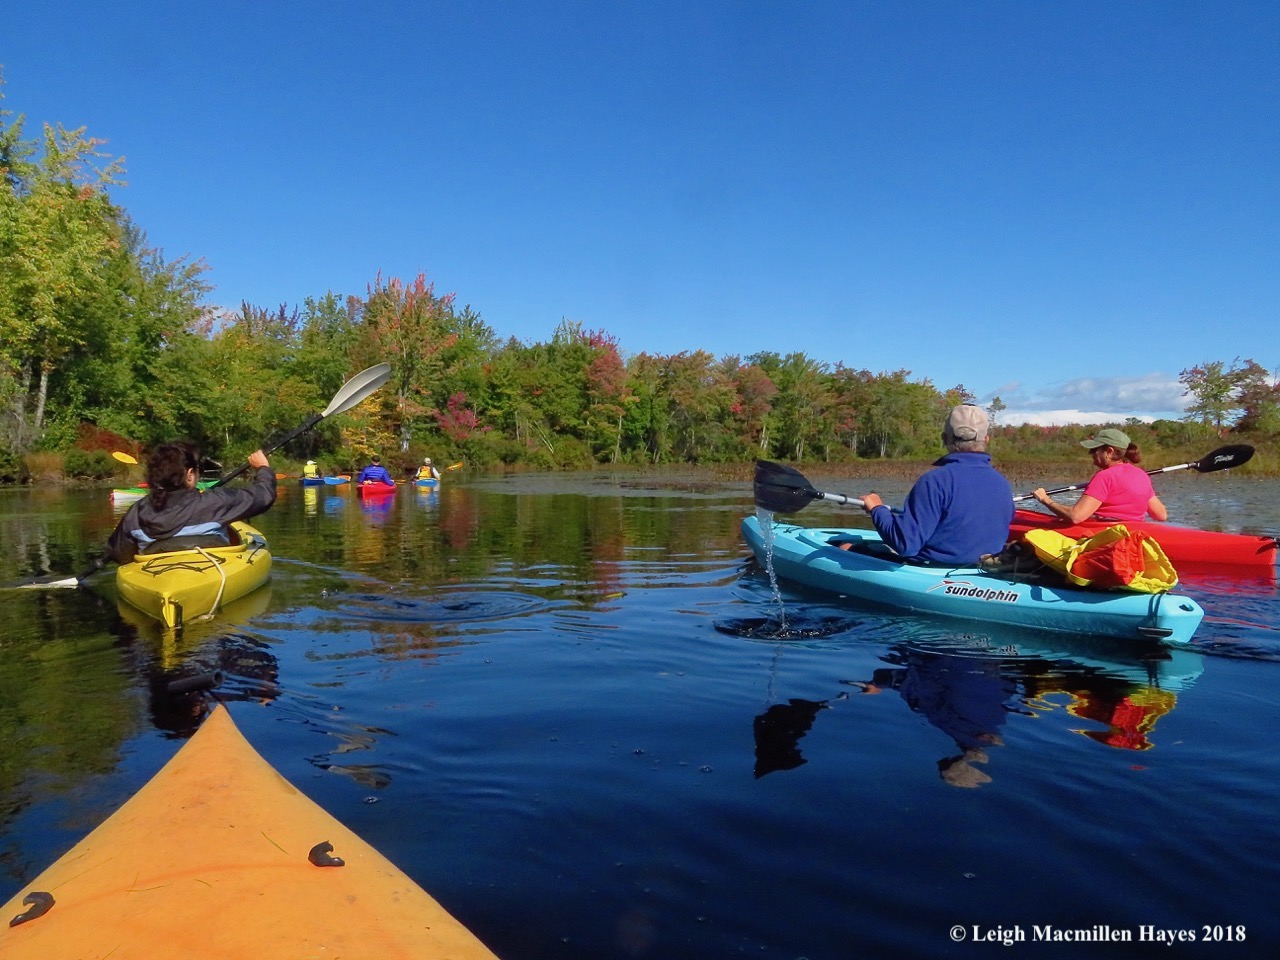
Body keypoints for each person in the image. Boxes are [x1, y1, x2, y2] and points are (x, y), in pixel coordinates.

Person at [855, 403, 1014, 566]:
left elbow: (905, 545)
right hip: (981, 570)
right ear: (986, 439)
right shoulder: (1002, 483)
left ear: (944, 438)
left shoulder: (935, 481)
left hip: (933, 571)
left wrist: (877, 509)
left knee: (846, 547)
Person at [107, 442, 276, 564]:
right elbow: (264, 495)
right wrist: (263, 468)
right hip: (213, 571)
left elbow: (120, 554)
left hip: (158, 576)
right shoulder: (215, 502)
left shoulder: (137, 512)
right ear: (189, 474)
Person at [1032, 428, 1167, 523]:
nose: (1091, 454)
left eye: (1094, 450)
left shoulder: (1104, 476)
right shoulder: (1141, 475)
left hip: (1107, 534)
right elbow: (1161, 515)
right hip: (1133, 532)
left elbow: (1076, 517)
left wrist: (1045, 499)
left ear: (1109, 451)